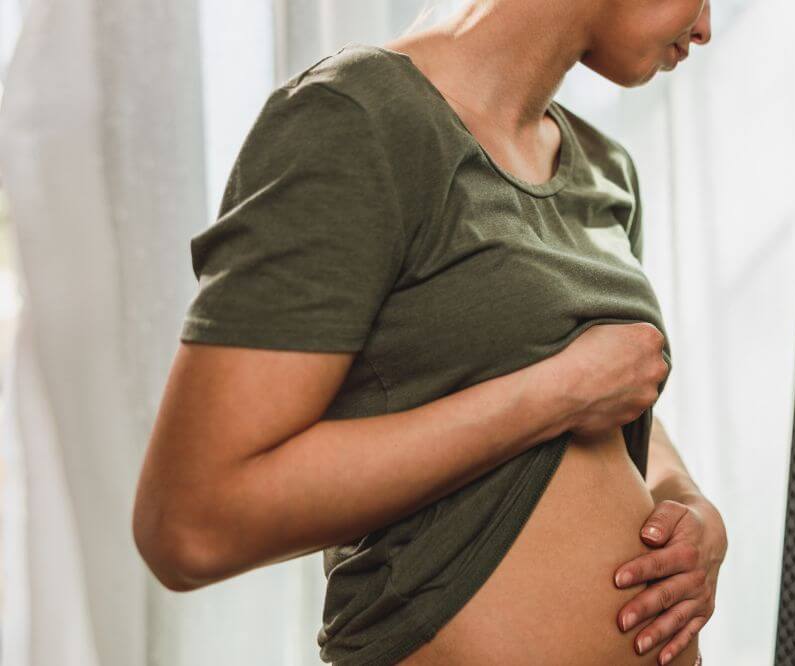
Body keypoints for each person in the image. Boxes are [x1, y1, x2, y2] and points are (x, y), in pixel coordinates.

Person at [131, 1, 726, 665]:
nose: (704, 27)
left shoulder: (603, 165)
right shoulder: (355, 120)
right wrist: (552, 395)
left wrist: (686, 504)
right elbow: (193, 525)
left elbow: (613, 393)